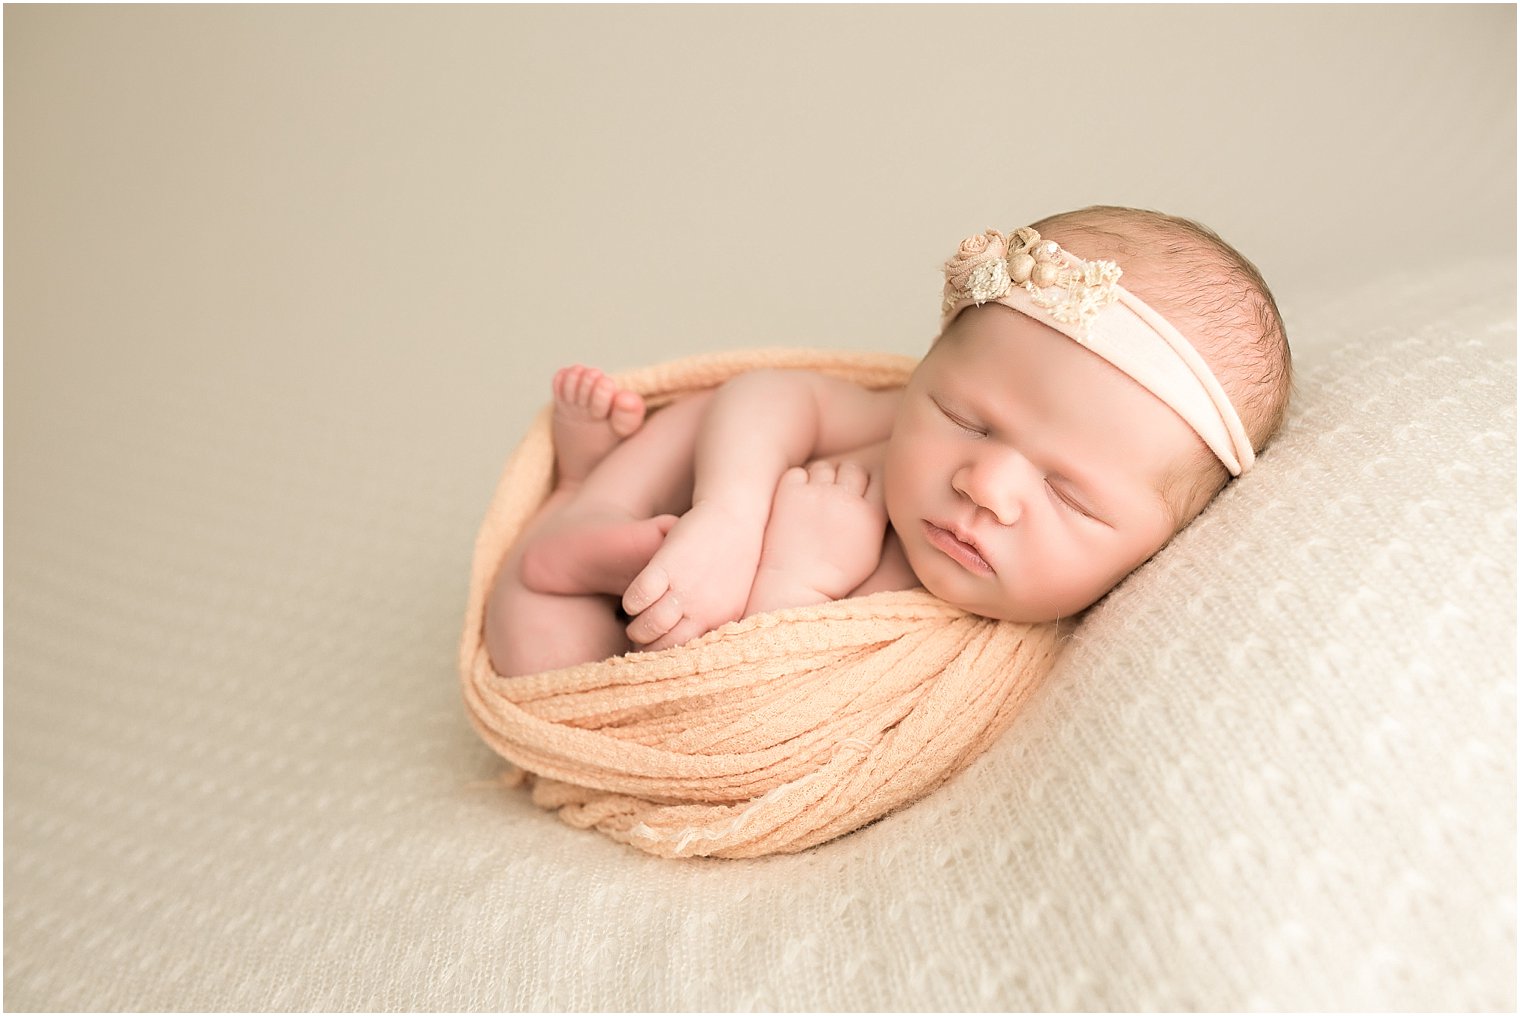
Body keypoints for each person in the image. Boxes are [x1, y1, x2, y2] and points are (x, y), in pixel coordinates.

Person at [484, 205, 1291, 678]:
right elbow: (772, 393)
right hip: (702, 516)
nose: (987, 484)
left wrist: (790, 583)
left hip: (689, 663)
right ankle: (601, 495)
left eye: (1068, 494)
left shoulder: (972, 660)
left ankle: (575, 532)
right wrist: (729, 516)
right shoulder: (888, 425)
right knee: (715, 414)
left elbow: (774, 724)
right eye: (966, 418)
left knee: (543, 656)